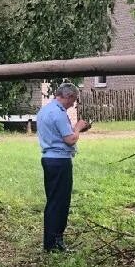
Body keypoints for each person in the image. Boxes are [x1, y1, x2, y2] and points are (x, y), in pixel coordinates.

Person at [35, 82, 90, 252]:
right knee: (60, 202)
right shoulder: (58, 113)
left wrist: (75, 129)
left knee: (53, 201)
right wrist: (79, 127)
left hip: (49, 159)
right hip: (60, 161)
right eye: (74, 100)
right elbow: (70, 139)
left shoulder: (45, 110)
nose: (73, 104)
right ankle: (54, 244)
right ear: (68, 96)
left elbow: (60, 134)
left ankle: (52, 242)